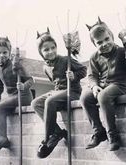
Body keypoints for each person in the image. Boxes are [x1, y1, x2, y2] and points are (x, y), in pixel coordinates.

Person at [80, 17, 126, 151]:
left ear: (112, 37)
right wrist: (94, 85)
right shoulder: (94, 57)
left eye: (107, 39)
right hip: (101, 85)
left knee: (103, 97)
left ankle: (112, 135)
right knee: (85, 98)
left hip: (118, 84)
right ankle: (98, 131)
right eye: (99, 42)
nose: (104, 44)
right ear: (95, 44)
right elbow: (91, 76)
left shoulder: (121, 51)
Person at [31, 28, 86, 158]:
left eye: (52, 48)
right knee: (35, 103)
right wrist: (55, 92)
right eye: (46, 50)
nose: (50, 52)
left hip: (72, 91)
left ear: (56, 47)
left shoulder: (65, 59)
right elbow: (54, 82)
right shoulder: (45, 67)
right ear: (41, 53)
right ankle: (57, 132)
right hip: (58, 93)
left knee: (50, 101)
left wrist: (74, 75)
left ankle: (47, 138)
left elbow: (84, 69)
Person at [0, 36, 34, 158]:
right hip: (12, 98)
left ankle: (3, 138)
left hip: (23, 96)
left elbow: (31, 80)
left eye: (5, 52)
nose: (1, 55)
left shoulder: (16, 65)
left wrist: (23, 86)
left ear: (10, 53)